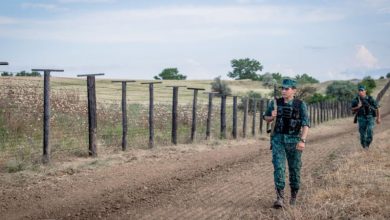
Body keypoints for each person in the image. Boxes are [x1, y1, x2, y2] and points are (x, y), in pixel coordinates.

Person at [263, 78, 310, 208]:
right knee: (279, 167)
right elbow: (265, 118)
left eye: (286, 88)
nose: (283, 91)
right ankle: (280, 198)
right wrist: (271, 116)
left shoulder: (300, 104)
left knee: (294, 169)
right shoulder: (275, 103)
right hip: (278, 140)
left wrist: (302, 140)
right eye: (282, 88)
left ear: (294, 90)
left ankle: (294, 196)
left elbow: (306, 124)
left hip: (294, 141)